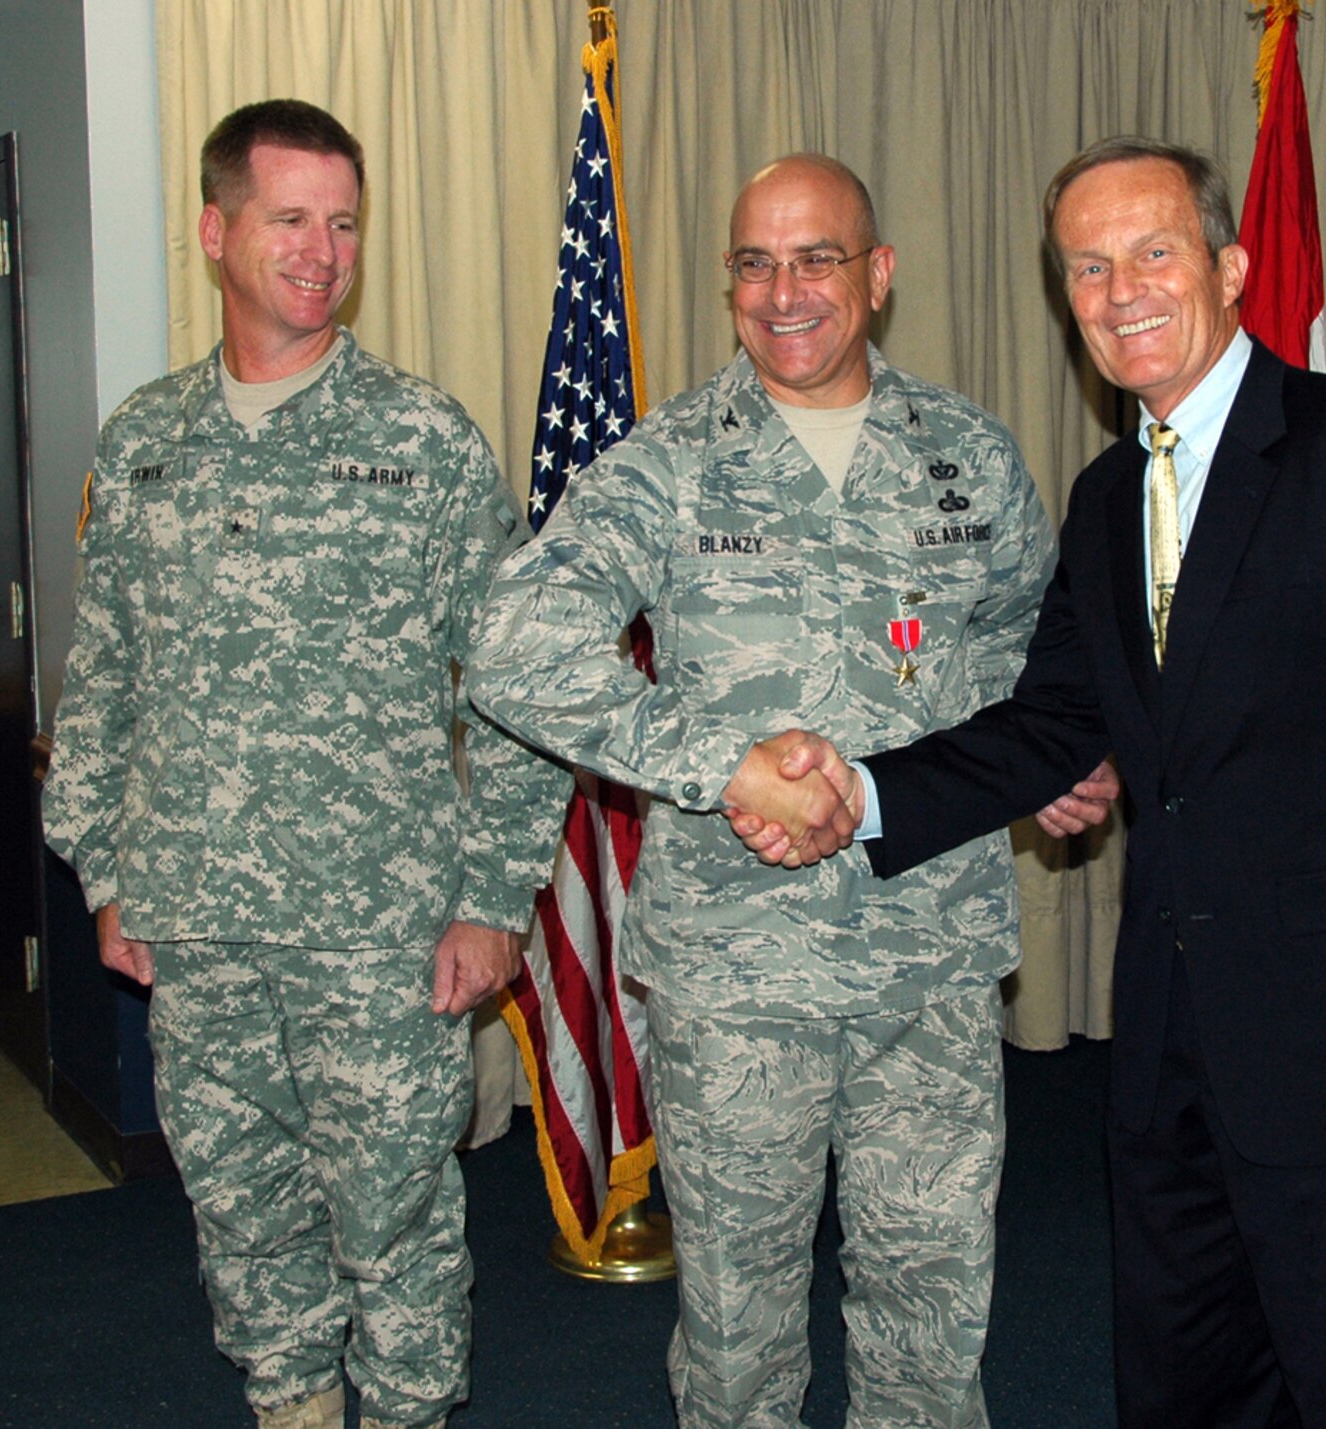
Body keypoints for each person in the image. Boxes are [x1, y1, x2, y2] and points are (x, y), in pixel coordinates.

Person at [733, 138, 1326, 1428]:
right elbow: (1054, 720)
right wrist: (860, 792)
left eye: (1152, 254)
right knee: (1185, 1379)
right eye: (1086, 268)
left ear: (1227, 267)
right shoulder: (1109, 496)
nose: (1119, 293)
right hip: (1166, 1038)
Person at [468, 154, 1093, 1427]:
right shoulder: (669, 464)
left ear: (877, 274)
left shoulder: (965, 454)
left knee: (932, 1308)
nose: (782, 289)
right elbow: (512, 645)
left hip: (927, 956)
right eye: (754, 260)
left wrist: (1061, 765)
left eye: (816, 257)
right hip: (738, 977)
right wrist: (722, 763)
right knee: (740, 1326)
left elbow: (1044, 657)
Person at [42, 99, 562, 1429]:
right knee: (244, 1214)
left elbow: (514, 690)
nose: (320, 250)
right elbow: (101, 680)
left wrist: (494, 899)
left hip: (381, 934)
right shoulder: (144, 444)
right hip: (196, 924)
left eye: (342, 223)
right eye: (289, 219)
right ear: (216, 232)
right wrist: (105, 870)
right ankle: (293, 1409)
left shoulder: (423, 440)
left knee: (397, 1226)